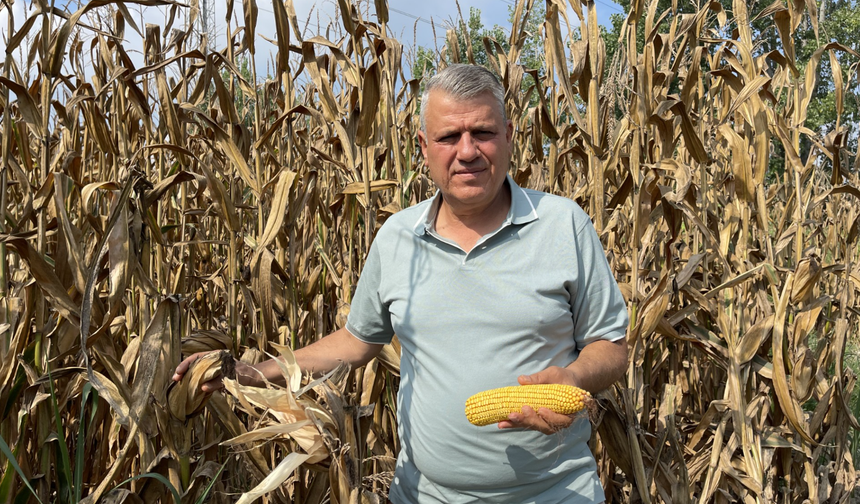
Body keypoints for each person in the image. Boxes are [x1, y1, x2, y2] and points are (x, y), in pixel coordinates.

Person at [174, 64, 628, 503]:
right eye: (449, 137)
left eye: (483, 133)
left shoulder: (563, 225)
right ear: (424, 146)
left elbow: (611, 345)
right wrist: (256, 372)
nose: (467, 151)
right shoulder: (397, 237)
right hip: (425, 495)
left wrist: (571, 378)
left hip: (553, 494)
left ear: (509, 135)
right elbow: (356, 341)